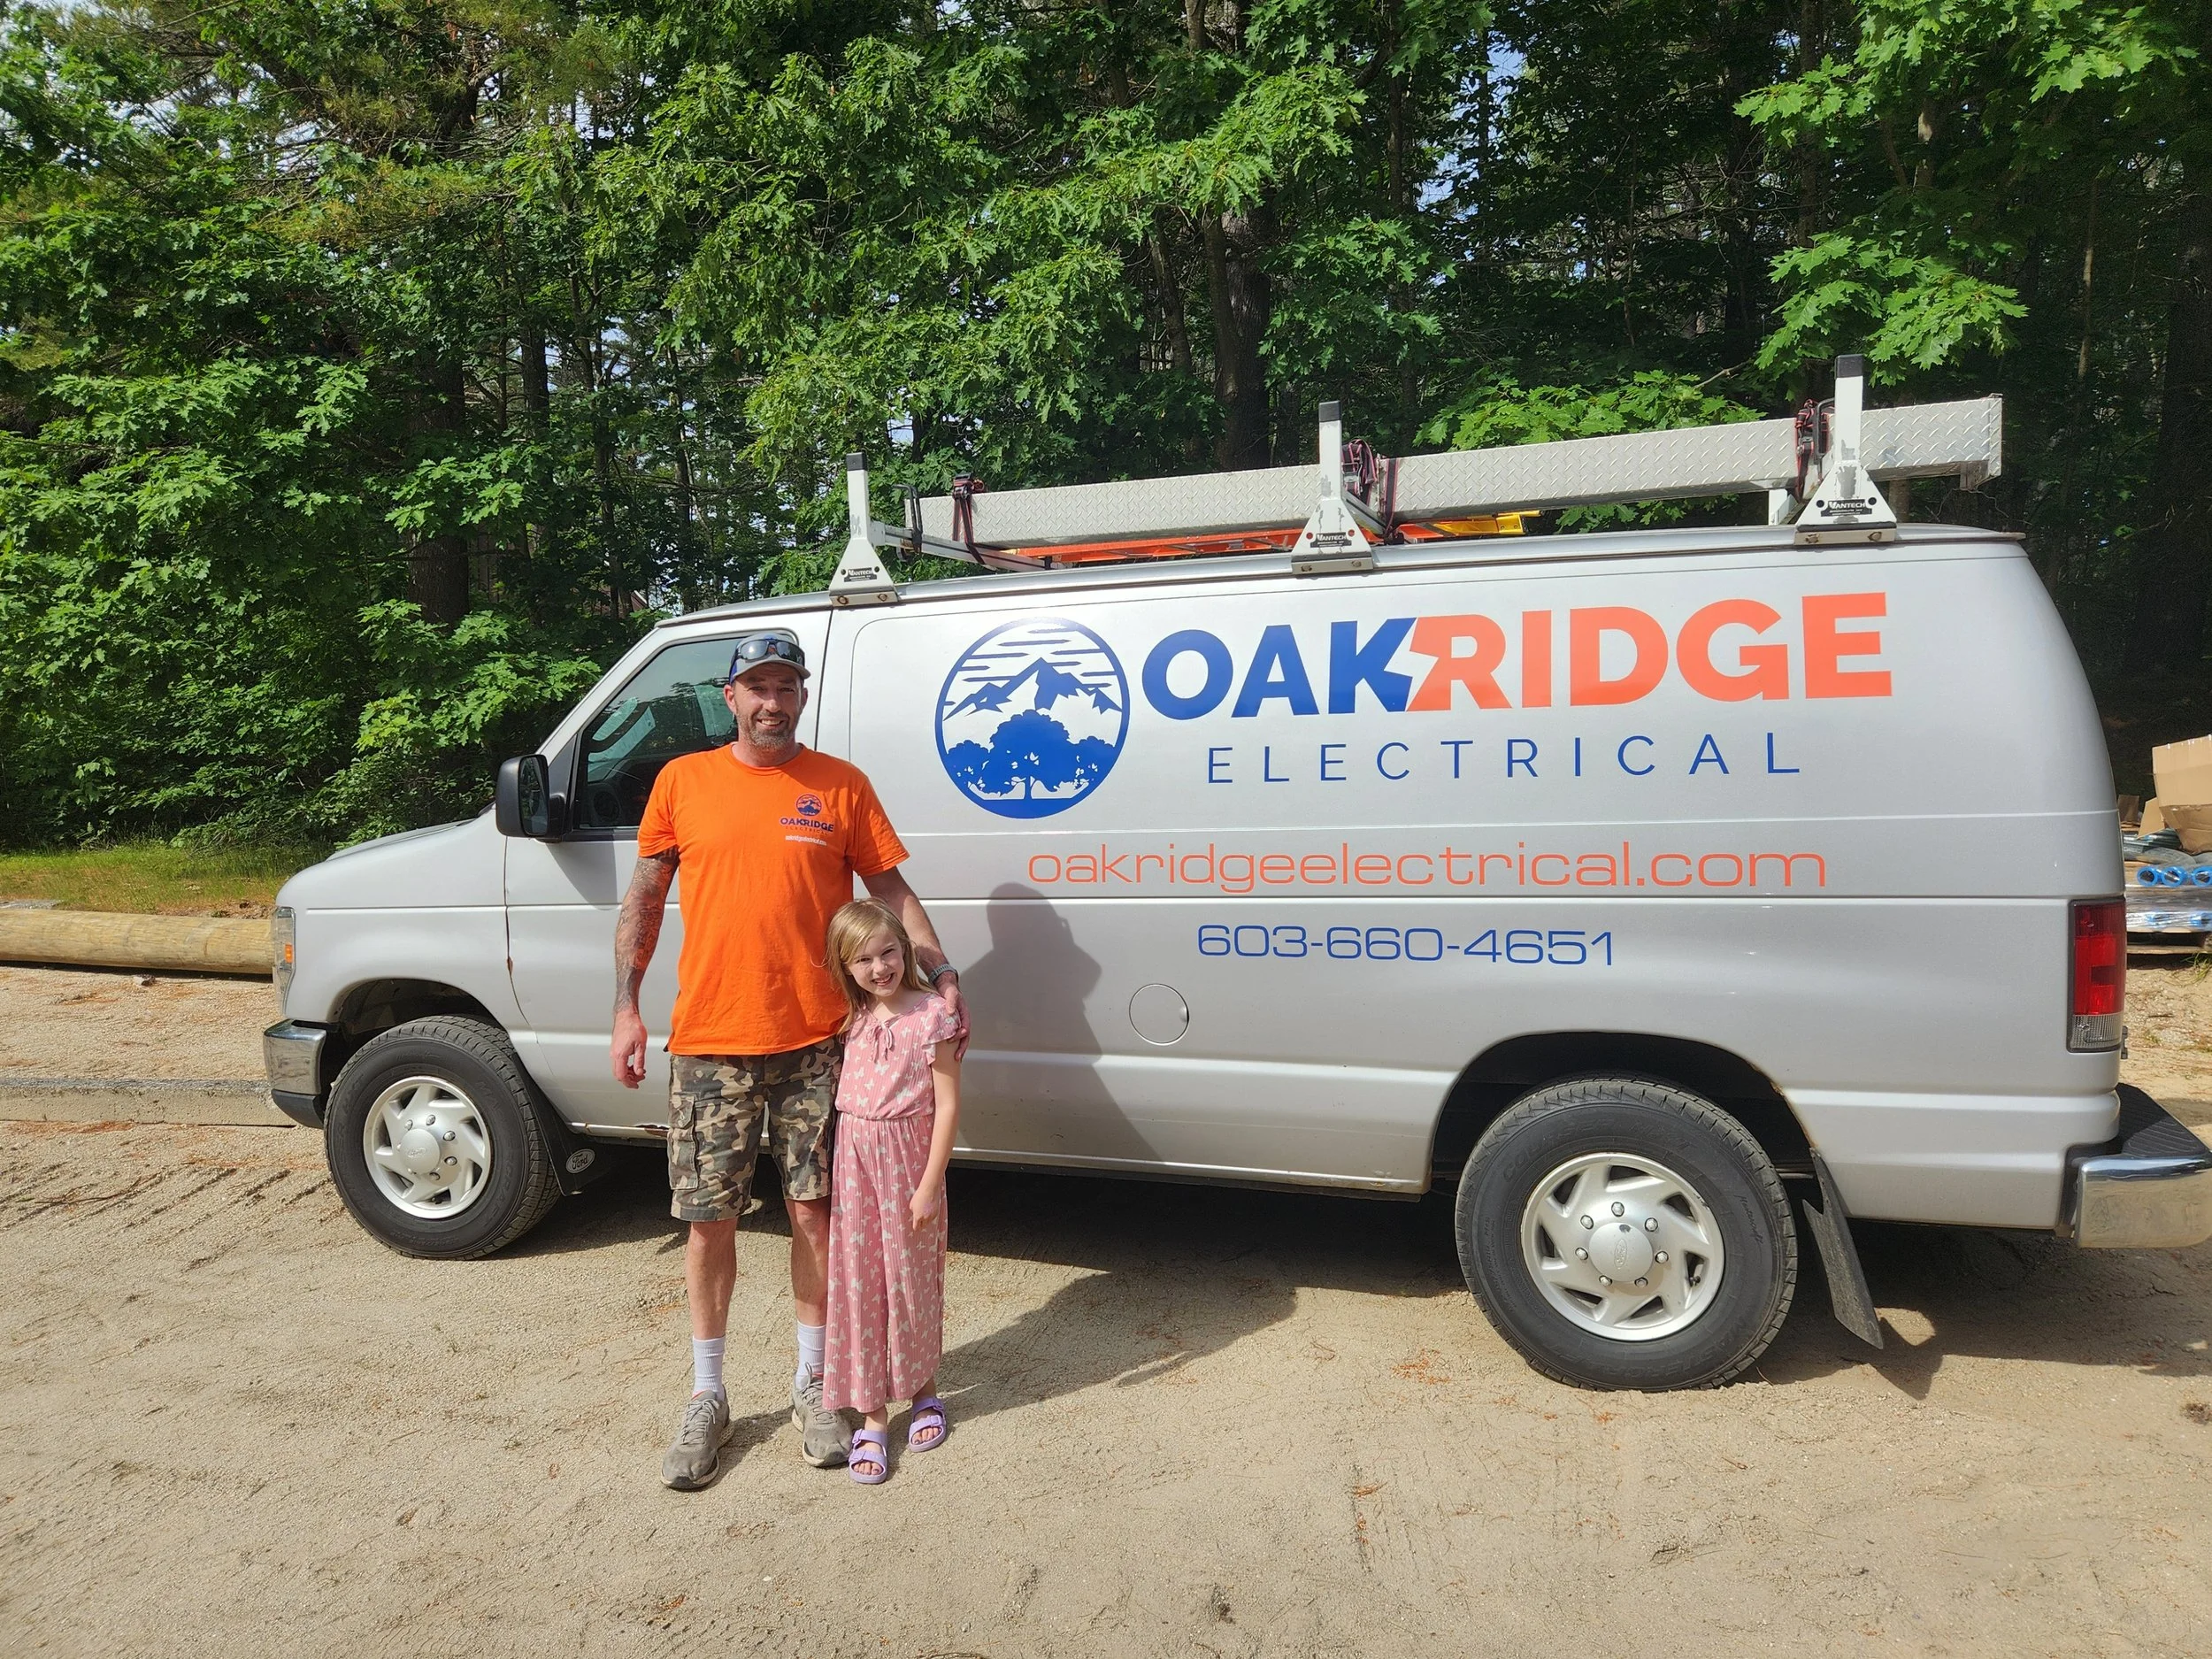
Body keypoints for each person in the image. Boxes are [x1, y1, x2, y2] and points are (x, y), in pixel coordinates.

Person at [610, 627, 966, 1491]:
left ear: (801, 696)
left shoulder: (839, 786)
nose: (773, 701)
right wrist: (625, 1006)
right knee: (709, 1224)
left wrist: (943, 973)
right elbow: (646, 897)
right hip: (709, 1042)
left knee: (816, 1218)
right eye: (756, 687)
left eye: (787, 687)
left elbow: (889, 892)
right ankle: (707, 1394)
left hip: (818, 1045)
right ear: (728, 697)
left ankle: (814, 1383)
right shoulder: (682, 782)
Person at [818, 899, 963, 1485]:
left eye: (889, 952)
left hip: (908, 1158)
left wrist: (930, 1183)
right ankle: (872, 1415)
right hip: (854, 1157)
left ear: (905, 949)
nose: (880, 967)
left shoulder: (932, 1015)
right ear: (846, 968)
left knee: (909, 1276)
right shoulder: (850, 1019)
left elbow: (949, 1103)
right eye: (864, 959)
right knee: (858, 1282)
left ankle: (922, 1388)